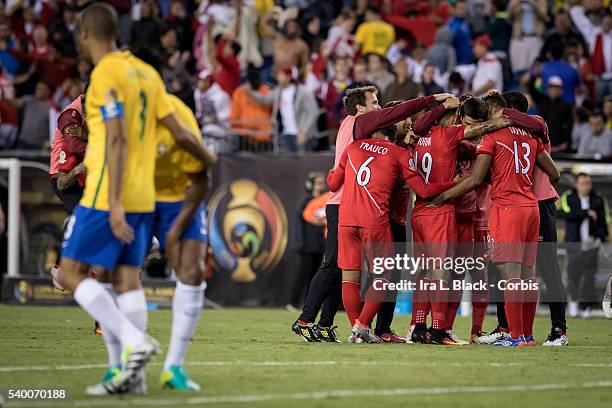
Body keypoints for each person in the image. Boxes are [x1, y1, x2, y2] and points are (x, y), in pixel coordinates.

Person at [58, 3, 212, 395]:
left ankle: (135, 343)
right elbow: (177, 130)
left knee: (69, 274)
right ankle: (132, 375)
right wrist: (207, 155)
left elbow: (116, 137)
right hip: (144, 193)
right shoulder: (145, 74)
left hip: (108, 191)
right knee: (126, 280)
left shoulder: (105, 72)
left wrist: (113, 201)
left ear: (85, 35)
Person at [291, 87, 454, 342]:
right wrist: (434, 101)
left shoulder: (354, 137)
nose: (380, 108)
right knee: (344, 268)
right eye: (375, 103)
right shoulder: (364, 126)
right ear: (360, 108)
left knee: (346, 271)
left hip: (349, 210)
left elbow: (333, 179)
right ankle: (312, 320)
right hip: (361, 210)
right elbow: (399, 113)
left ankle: (332, 323)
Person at [430, 92, 560, 347]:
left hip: (507, 209)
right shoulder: (531, 136)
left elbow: (475, 179)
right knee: (527, 275)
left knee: (509, 275)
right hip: (531, 208)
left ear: (494, 110)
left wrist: (442, 197)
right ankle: (527, 335)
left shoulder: (492, 137)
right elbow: (554, 173)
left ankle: (515, 337)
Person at [327, 123, 455, 343]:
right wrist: (452, 183)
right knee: (383, 277)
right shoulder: (398, 153)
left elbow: (332, 183)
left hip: (346, 221)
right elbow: (423, 190)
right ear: (391, 136)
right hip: (374, 222)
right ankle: (363, 325)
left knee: (350, 278)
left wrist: (333, 170)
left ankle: (356, 330)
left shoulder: (354, 146)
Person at [409, 96, 512, 345]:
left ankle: (445, 328)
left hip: (461, 214)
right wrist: (509, 121)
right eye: (467, 123)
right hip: (448, 212)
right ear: (457, 118)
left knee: (450, 273)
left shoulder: (431, 136)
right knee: (443, 273)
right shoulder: (453, 136)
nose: (471, 129)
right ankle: (432, 328)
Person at [154, 94, 214, 391]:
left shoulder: (180, 115)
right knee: (114, 272)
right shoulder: (119, 119)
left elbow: (202, 177)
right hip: (135, 198)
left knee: (190, 271)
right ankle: (123, 358)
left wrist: (175, 230)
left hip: (178, 199)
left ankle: (173, 366)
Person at [562, 173, 610, 319]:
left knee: (589, 276)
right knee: (574, 275)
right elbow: (568, 214)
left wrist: (595, 236)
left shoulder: (598, 198)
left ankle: (586, 306)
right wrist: (587, 213)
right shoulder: (568, 197)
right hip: (575, 245)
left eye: (588, 183)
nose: (586, 186)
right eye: (583, 183)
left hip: (592, 246)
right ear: (576, 184)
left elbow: (603, 220)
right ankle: (573, 303)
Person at [247, 66, 319, 152]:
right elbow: (265, 99)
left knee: (304, 163)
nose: (278, 78)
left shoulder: (303, 91)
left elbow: (313, 112)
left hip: (301, 134)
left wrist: (305, 131)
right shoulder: (279, 91)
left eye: (281, 75)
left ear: (288, 77)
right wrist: (250, 92)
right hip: (286, 134)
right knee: (288, 163)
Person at [288, 172, 327, 313]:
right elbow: (300, 223)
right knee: (304, 273)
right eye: (318, 183)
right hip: (306, 244)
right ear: (311, 185)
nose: (322, 185)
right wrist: (300, 243)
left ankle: (307, 303)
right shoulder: (305, 201)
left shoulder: (326, 199)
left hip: (319, 244)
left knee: (314, 276)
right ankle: (293, 302)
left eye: (323, 182)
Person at [527, 74, 573, 152]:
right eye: (551, 87)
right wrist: (536, 74)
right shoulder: (542, 101)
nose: (554, 90)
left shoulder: (566, 106)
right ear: (547, 89)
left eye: (557, 88)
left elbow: (569, 127)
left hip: (559, 147)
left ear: (561, 90)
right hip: (543, 148)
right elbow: (531, 88)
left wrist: (566, 143)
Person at [194, 68, 232, 154]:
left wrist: (217, 118)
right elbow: (199, 112)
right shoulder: (197, 93)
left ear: (208, 82)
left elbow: (228, 114)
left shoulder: (220, 95)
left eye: (201, 81)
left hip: (221, 129)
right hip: (205, 128)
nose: (199, 83)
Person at [447, 0, 472, 66]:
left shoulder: (465, 22)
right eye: (461, 8)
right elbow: (450, 42)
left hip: (468, 61)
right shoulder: (452, 24)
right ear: (454, 10)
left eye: (465, 8)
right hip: (458, 62)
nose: (464, 11)